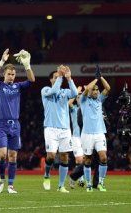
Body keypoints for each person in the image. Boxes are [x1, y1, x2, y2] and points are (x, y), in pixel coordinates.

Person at [0, 49, 35, 194]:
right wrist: (2, 61)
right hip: (1, 124)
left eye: (13, 74)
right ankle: (1, 179)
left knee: (13, 156)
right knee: (2, 154)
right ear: (4, 74)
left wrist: (27, 65)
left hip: (15, 125)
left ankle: (10, 185)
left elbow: (31, 80)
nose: (11, 76)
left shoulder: (18, 86)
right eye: (9, 74)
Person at [41, 65, 77, 193]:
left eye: (58, 78)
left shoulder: (65, 92)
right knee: (50, 156)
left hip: (65, 129)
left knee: (64, 157)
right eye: (55, 78)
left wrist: (69, 78)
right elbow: (54, 90)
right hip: (50, 128)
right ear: (51, 80)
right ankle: (46, 174)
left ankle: (61, 186)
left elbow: (75, 93)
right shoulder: (45, 90)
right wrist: (60, 76)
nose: (57, 80)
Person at [79, 68, 111, 192]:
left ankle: (101, 183)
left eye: (97, 90)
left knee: (103, 157)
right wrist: (96, 79)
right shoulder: (83, 100)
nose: (97, 91)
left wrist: (101, 77)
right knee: (87, 159)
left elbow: (108, 88)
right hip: (87, 134)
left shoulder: (99, 100)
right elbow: (87, 89)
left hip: (99, 133)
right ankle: (88, 184)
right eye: (94, 89)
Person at [68, 86, 86, 188]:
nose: (79, 98)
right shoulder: (73, 108)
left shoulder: (87, 109)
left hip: (86, 136)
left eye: (81, 97)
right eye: (78, 97)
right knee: (79, 160)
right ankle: (80, 179)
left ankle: (78, 178)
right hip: (75, 137)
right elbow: (69, 103)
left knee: (86, 160)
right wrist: (77, 92)